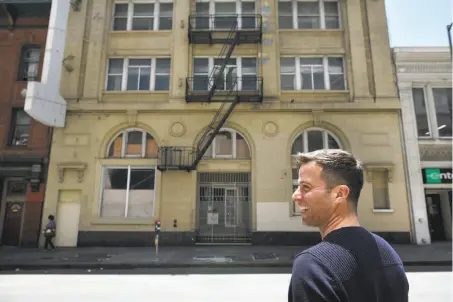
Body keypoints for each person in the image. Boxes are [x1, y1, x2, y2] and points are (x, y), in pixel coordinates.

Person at [288, 149, 409, 302]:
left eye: (306, 187)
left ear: (339, 194)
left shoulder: (314, 266)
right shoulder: (387, 252)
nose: (296, 196)